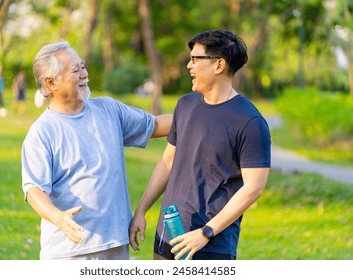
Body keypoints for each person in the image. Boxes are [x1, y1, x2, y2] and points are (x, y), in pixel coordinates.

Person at [21, 41, 172, 260]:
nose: (84, 74)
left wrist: (199, 113)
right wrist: (58, 217)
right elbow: (34, 190)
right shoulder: (42, 132)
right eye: (75, 70)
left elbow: (155, 125)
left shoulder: (109, 109)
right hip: (70, 251)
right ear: (51, 82)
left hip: (116, 244)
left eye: (83, 66)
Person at [129, 29, 271, 260]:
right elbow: (168, 160)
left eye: (196, 59)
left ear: (219, 65)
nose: (189, 66)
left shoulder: (250, 122)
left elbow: (254, 187)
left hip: (212, 241)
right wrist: (141, 210)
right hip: (169, 232)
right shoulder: (185, 105)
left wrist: (206, 233)